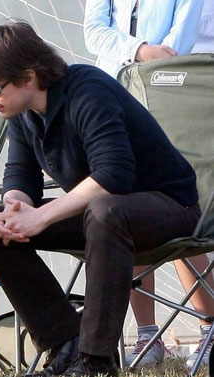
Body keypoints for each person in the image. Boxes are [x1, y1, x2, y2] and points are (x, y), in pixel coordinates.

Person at [0, 21, 201, 377]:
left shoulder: (88, 89)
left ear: (28, 76)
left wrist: (41, 218)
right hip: (104, 214)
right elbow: (19, 175)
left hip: (170, 207)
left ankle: (95, 362)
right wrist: (15, 206)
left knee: (105, 211)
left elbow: (114, 175)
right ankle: (65, 345)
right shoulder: (20, 110)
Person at [84, 0, 213, 367]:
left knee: (180, 210)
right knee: (126, 209)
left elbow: (179, 41)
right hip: (114, 101)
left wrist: (147, 63)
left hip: (170, 94)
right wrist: (137, 50)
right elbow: (94, 31)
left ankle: (209, 327)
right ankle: (147, 335)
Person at [84, 0, 203, 78]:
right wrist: (139, 50)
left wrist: (154, 63)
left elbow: (182, 37)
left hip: (156, 82)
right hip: (111, 79)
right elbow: (93, 32)